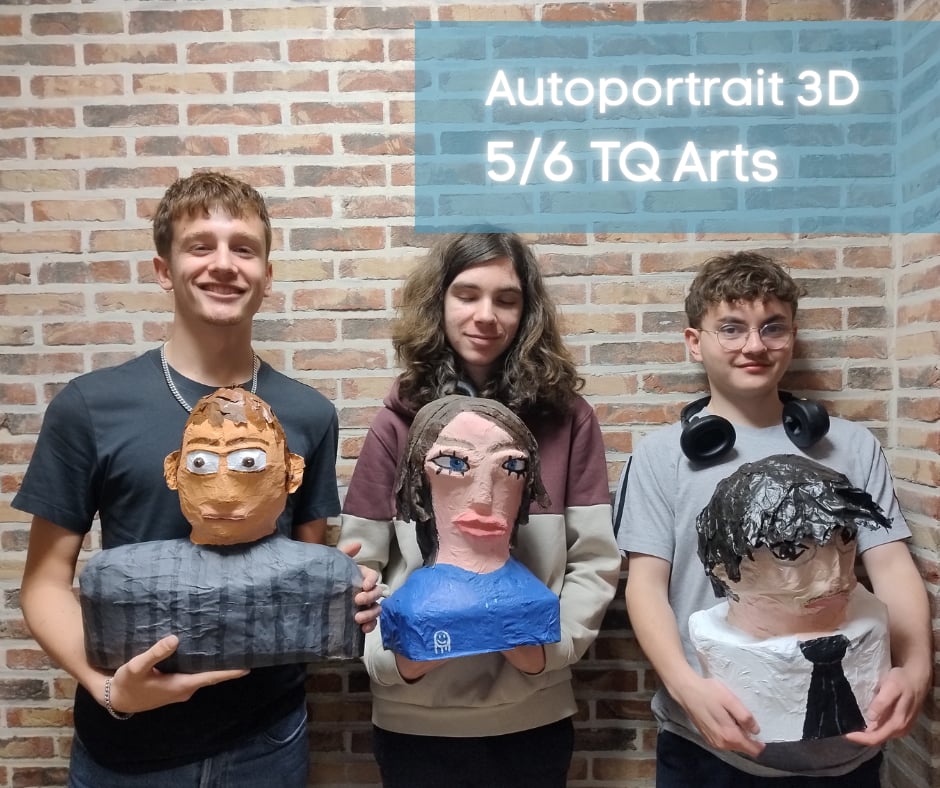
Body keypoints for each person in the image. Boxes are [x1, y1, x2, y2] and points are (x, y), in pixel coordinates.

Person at [14, 172, 379, 786]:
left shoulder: (309, 414)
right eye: (200, 246)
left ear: (267, 274)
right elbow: (45, 583)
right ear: (164, 269)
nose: (224, 264)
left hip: (268, 739)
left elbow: (302, 560)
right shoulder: (90, 406)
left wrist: (341, 596)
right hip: (128, 747)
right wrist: (111, 689)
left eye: (244, 248)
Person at [615, 252, 931, 786]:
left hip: (848, 751)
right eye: (731, 328)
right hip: (708, 748)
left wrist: (916, 668)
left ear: (792, 336)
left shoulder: (852, 446)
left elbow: (892, 567)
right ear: (695, 342)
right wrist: (687, 689)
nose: (755, 345)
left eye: (772, 327)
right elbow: (645, 587)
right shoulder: (659, 457)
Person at [338, 232, 621, 788]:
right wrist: (394, 662)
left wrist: (549, 654)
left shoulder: (569, 419)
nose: (486, 315)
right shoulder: (396, 422)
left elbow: (594, 560)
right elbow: (358, 570)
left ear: (527, 312)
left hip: (533, 717)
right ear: (439, 302)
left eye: (506, 299)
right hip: (415, 719)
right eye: (467, 294)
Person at [379, 395, 560, 661]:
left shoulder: (534, 598)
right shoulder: (412, 606)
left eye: (511, 466)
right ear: (418, 480)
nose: (483, 499)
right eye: (453, 463)